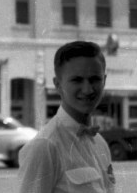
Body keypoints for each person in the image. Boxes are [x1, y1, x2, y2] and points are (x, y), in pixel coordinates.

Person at [18, 41, 115, 193]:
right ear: (58, 85)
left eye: (95, 79)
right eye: (77, 80)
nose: (88, 89)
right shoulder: (45, 146)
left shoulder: (100, 143)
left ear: (104, 81)